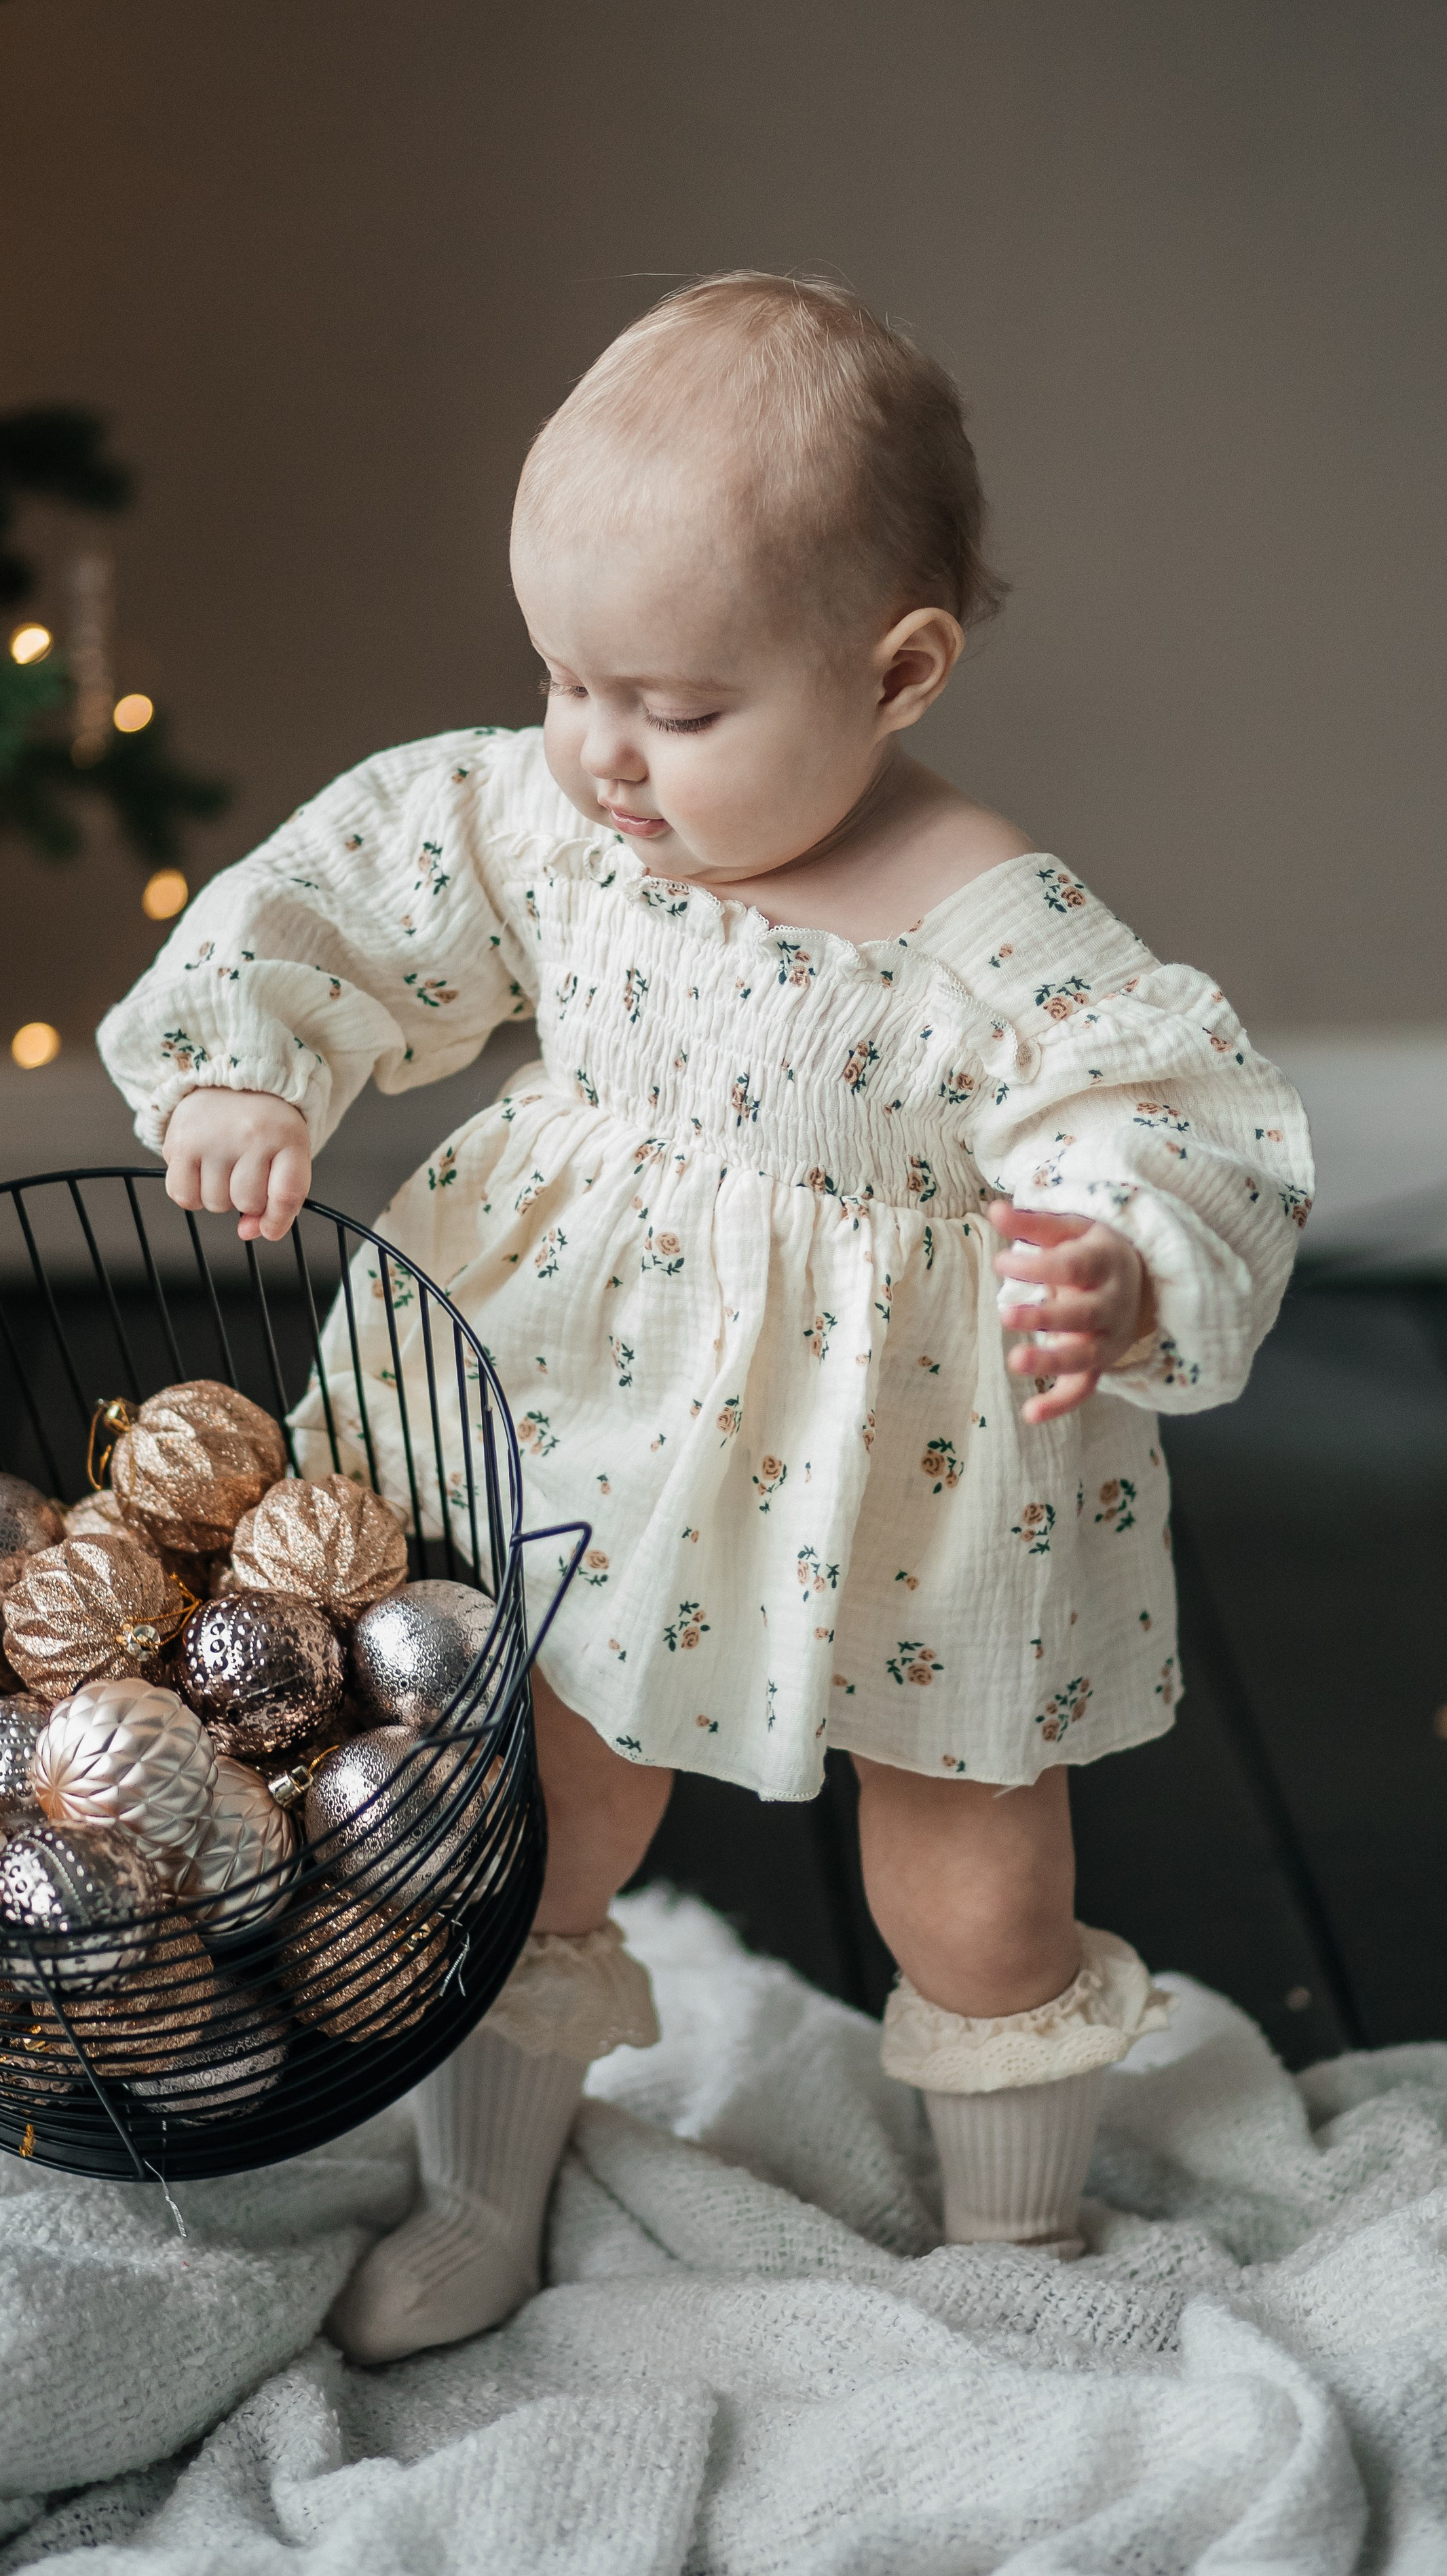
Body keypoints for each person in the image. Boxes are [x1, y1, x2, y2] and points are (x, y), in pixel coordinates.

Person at [98, 271, 1313, 2363]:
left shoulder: (975, 907)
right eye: (565, 676)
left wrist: (1116, 1253)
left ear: (897, 669)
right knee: (537, 1799)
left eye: (672, 705)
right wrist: (257, 1057)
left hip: (909, 1447)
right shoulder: (561, 816)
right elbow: (379, 885)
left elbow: (1147, 1090)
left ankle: (1013, 2258)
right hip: (600, 1382)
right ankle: (486, 2186)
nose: (601, 751)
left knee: (974, 1874)